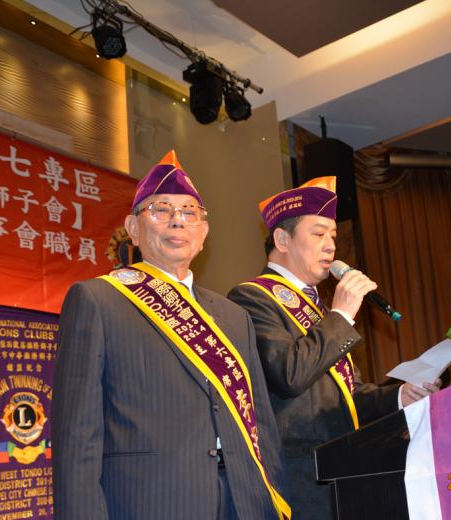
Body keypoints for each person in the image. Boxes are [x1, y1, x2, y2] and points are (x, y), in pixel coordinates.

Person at [53, 151, 290, 520]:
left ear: (203, 233)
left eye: (189, 213)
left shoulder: (234, 316)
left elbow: (262, 425)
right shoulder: (98, 300)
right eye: (161, 210)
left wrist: (272, 497)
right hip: (151, 502)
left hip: (243, 502)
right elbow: (76, 437)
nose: (177, 221)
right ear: (133, 228)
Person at [227, 176, 440, 518]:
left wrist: (401, 396)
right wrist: (341, 315)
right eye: (318, 234)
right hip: (297, 474)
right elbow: (290, 374)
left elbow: (348, 395)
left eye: (333, 236)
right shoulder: (251, 298)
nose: (330, 246)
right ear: (282, 239)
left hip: (342, 467)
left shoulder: (321, 311)